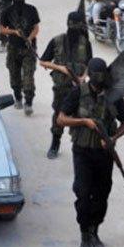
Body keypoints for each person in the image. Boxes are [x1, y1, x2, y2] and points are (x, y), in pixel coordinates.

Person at [57, 58, 124, 247]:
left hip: (104, 154)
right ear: (89, 74)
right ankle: (84, 238)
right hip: (82, 152)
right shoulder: (78, 93)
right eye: (96, 77)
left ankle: (94, 231)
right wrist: (84, 122)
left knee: (101, 195)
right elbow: (61, 119)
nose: (99, 81)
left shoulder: (114, 96)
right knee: (82, 193)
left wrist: (113, 139)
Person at [39, 11, 92, 159]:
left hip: (79, 88)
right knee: (59, 117)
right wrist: (60, 68)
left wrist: (83, 77)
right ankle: (55, 144)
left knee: (81, 117)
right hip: (61, 88)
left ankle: (81, 147)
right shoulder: (57, 41)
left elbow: (89, 63)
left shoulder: (85, 43)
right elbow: (43, 61)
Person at [0, 0, 40, 114]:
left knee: (28, 76)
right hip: (13, 48)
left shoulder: (31, 10)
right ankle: (18, 97)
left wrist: (29, 38)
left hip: (28, 48)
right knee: (14, 76)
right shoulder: (7, 11)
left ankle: (28, 102)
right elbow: (2, 30)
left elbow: (36, 28)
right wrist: (14, 32)